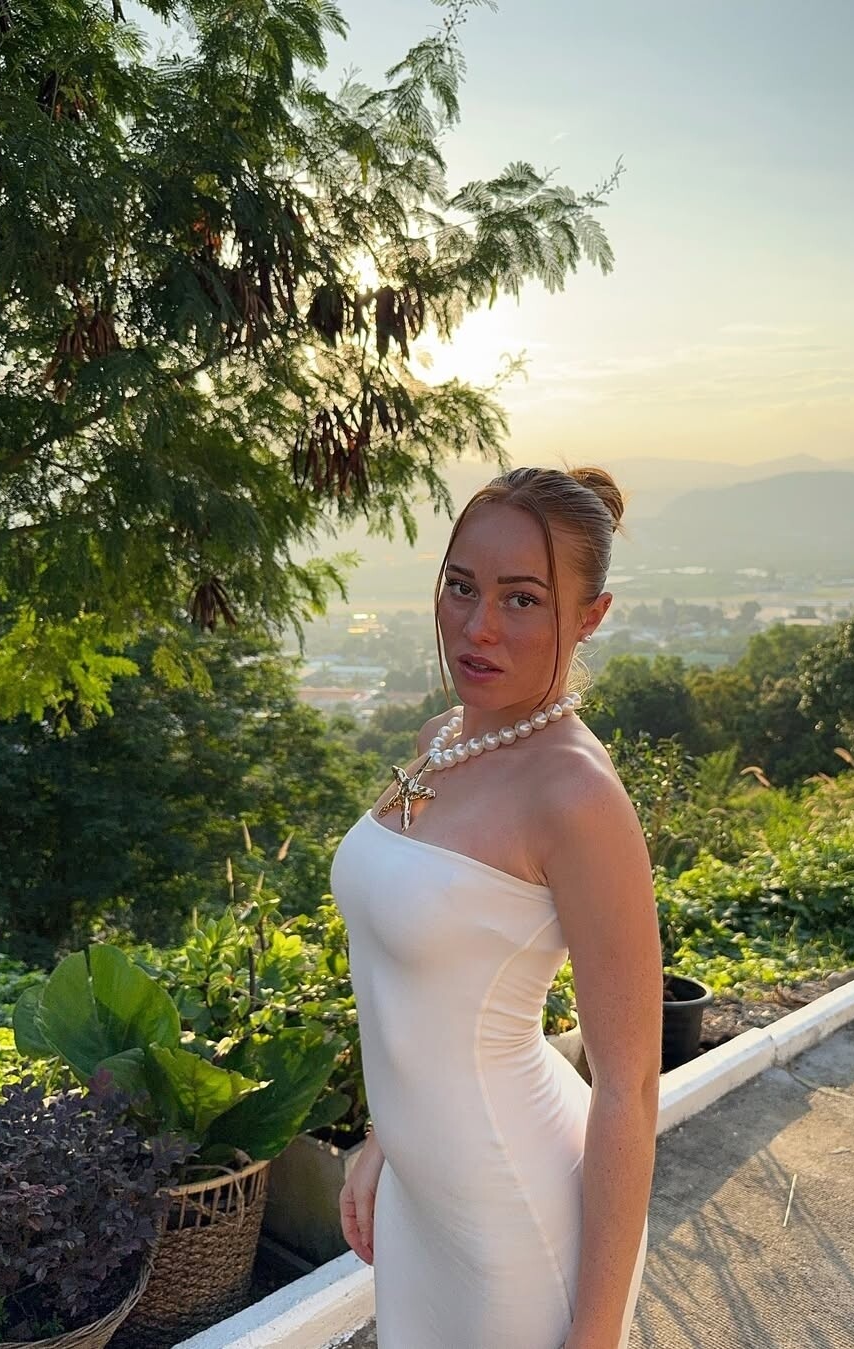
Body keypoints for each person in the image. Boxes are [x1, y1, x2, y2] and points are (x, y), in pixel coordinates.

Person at [331, 464, 662, 1349]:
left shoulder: (575, 794)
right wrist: (385, 1140)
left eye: (523, 599)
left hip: (513, 1223)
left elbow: (629, 1087)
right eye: (461, 586)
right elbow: (419, 984)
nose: (478, 627)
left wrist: (594, 1334)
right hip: (420, 1205)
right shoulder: (441, 739)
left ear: (590, 615)